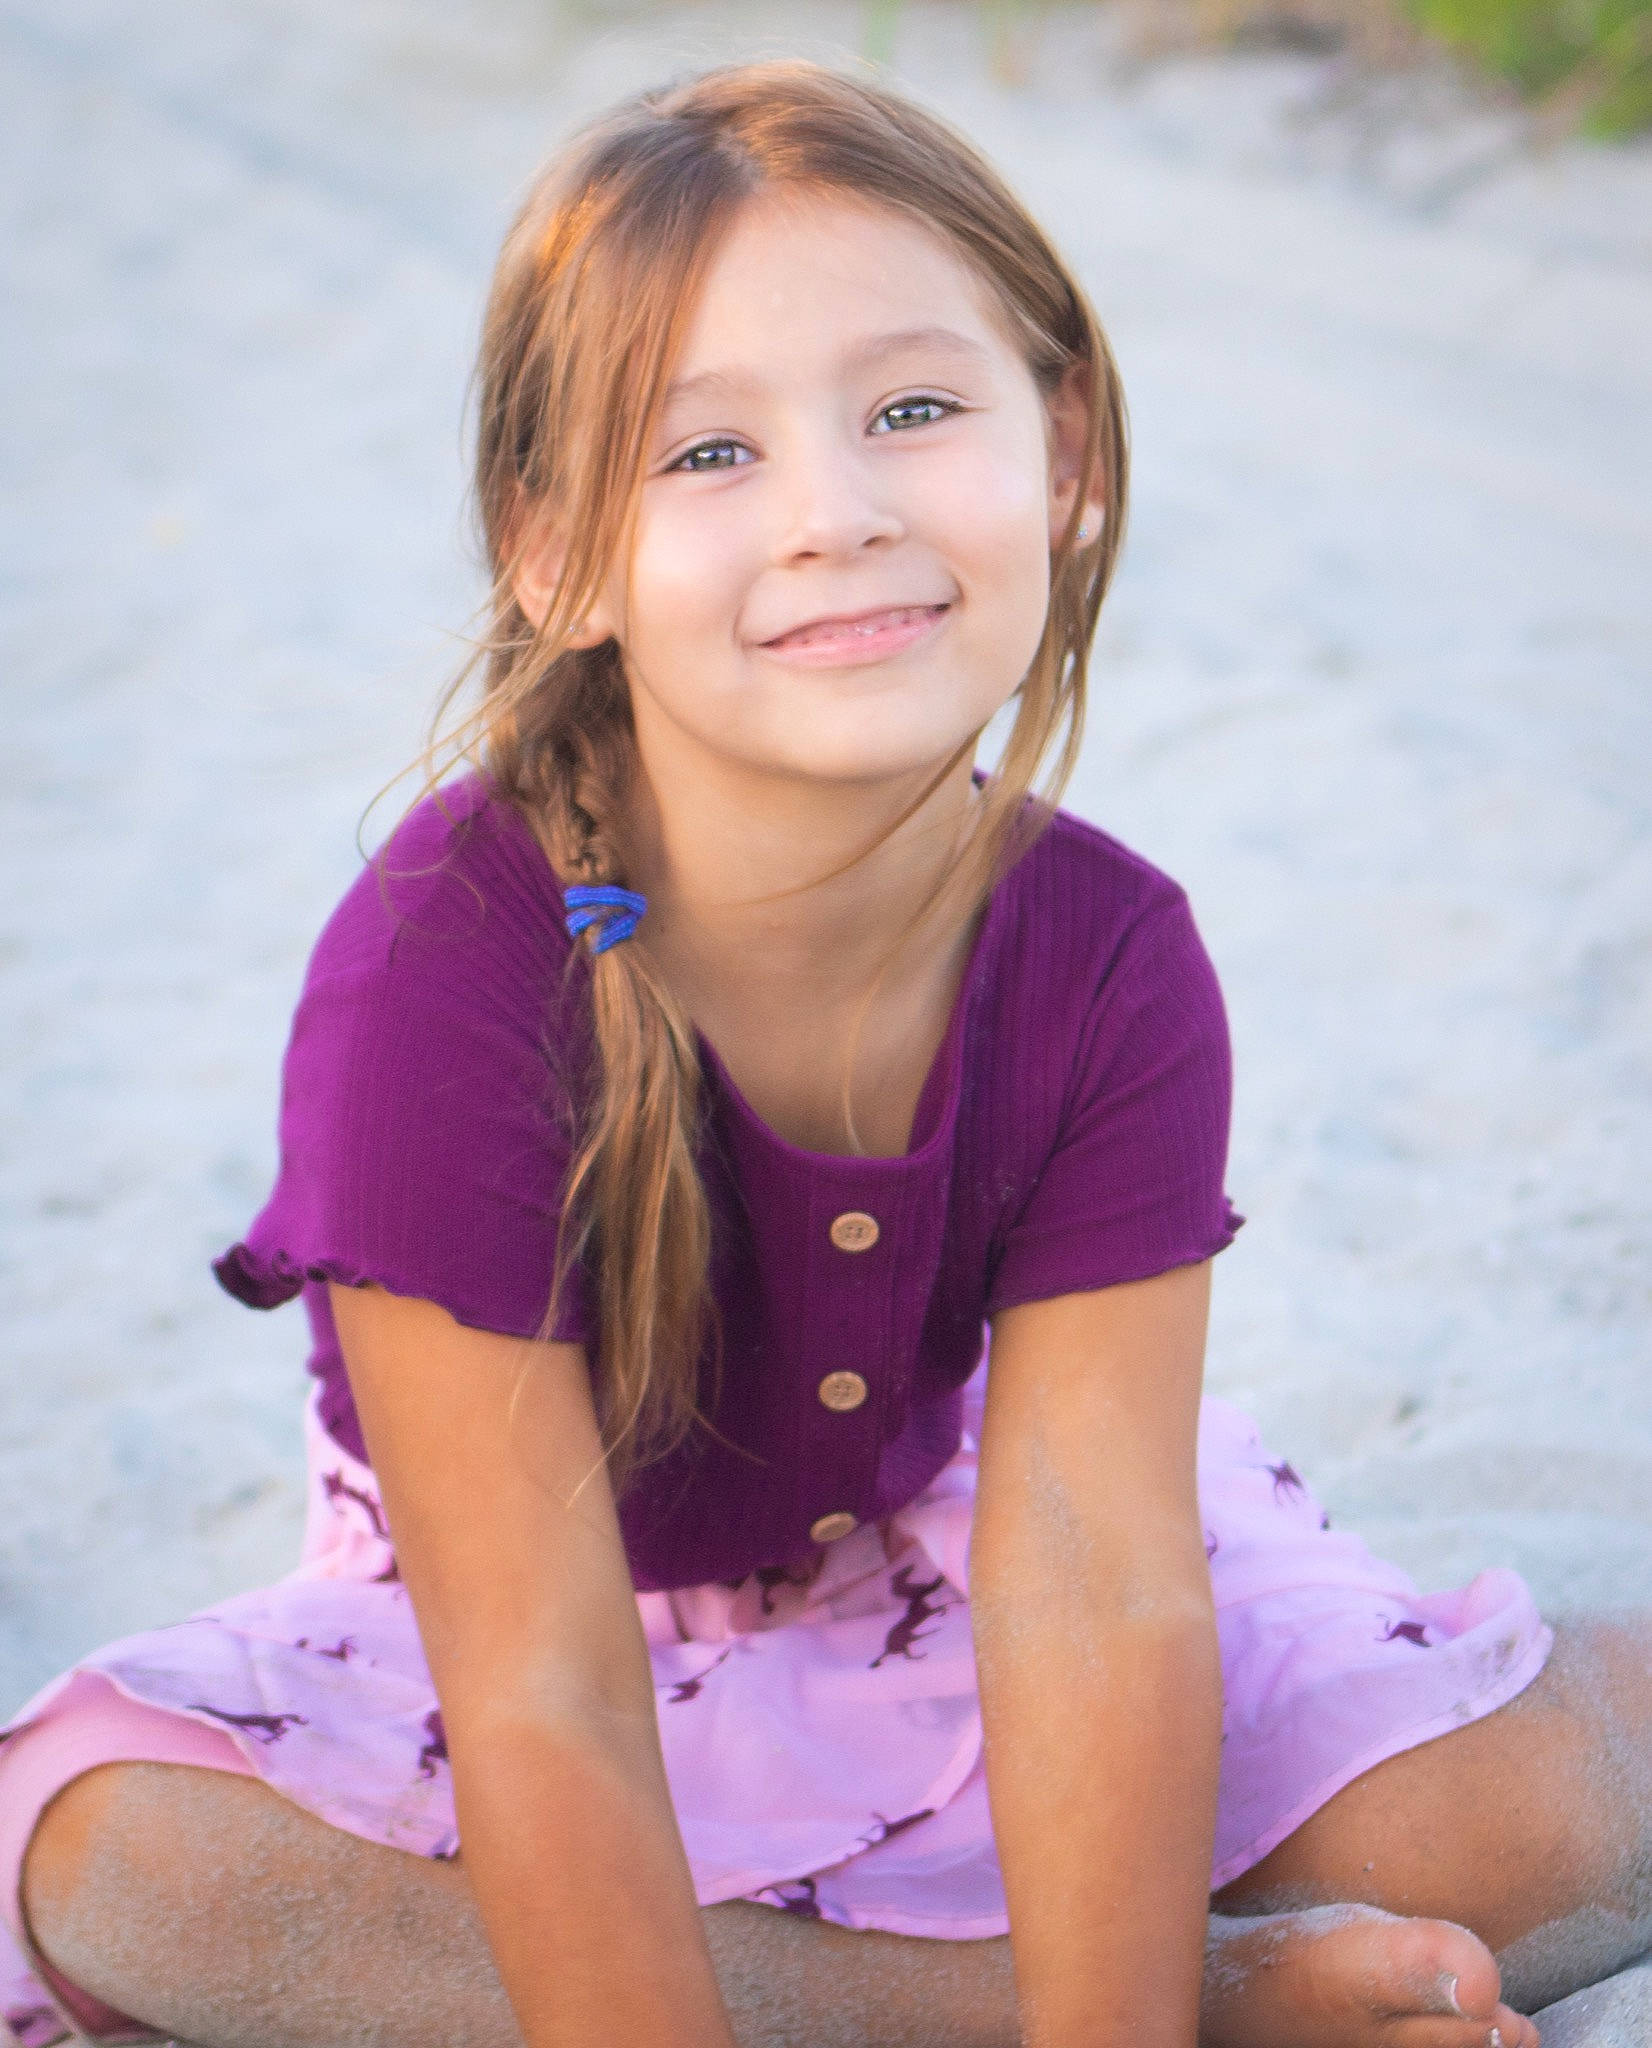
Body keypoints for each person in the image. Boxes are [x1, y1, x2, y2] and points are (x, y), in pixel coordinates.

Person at [3, 59, 1650, 2048]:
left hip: (961, 1568)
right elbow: (534, 1691)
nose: (837, 514)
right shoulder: (442, 973)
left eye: (910, 410)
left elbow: (1094, 1581)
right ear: (554, 555)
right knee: (114, 1861)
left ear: (1061, 457)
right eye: (708, 455)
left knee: (1537, 1808)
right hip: (525, 1651)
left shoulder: (1109, 949)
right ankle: (986, 2006)